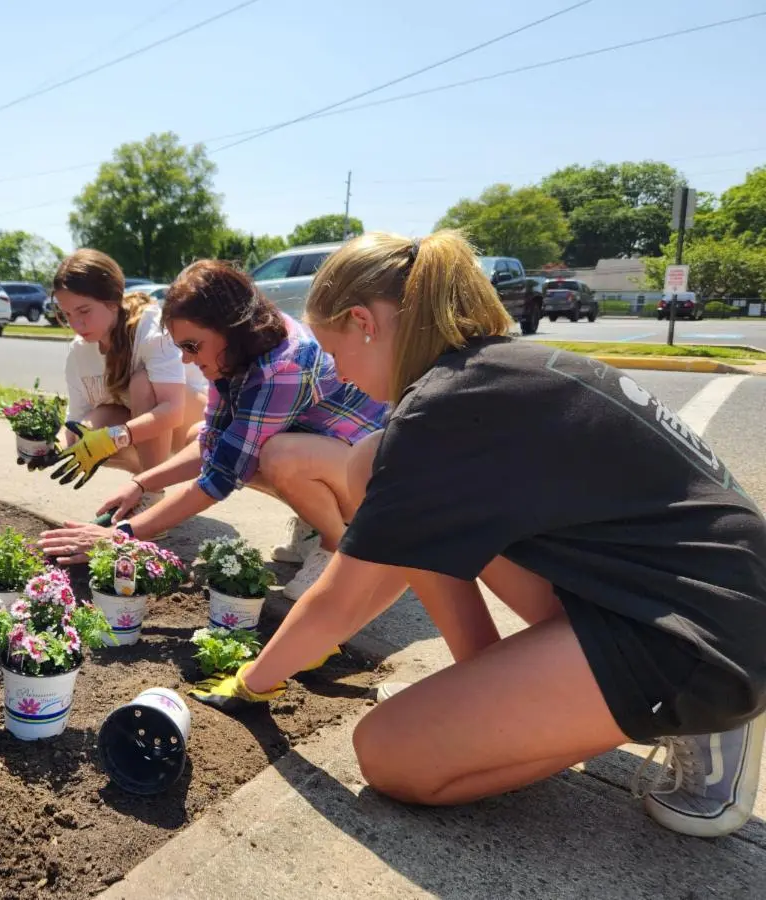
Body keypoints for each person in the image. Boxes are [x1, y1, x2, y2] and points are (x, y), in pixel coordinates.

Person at [190, 229, 766, 839]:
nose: (341, 377)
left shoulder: (440, 410)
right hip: (702, 591)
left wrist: (253, 682)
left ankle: (699, 717)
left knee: (390, 753)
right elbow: (393, 549)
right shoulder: (492, 371)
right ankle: (500, 693)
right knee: (371, 464)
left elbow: (344, 598)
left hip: (702, 637)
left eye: (333, 355)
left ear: (364, 322)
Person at [38, 259, 390, 599]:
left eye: (192, 346)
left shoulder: (285, 366)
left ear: (230, 327)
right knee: (204, 437)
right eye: (182, 349)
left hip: (374, 487)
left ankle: (335, 544)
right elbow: (211, 443)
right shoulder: (240, 350)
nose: (188, 359)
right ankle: (317, 522)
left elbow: (221, 476)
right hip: (338, 461)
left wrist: (120, 535)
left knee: (279, 456)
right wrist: (141, 483)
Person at [45, 249, 207, 513]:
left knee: (142, 382)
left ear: (112, 300)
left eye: (84, 310)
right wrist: (52, 450)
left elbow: (173, 411)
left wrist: (114, 438)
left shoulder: (150, 328)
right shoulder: (79, 352)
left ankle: (150, 495)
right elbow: (78, 418)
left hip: (196, 425)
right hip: (145, 432)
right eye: (67, 314)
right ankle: (142, 482)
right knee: (89, 425)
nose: (76, 323)